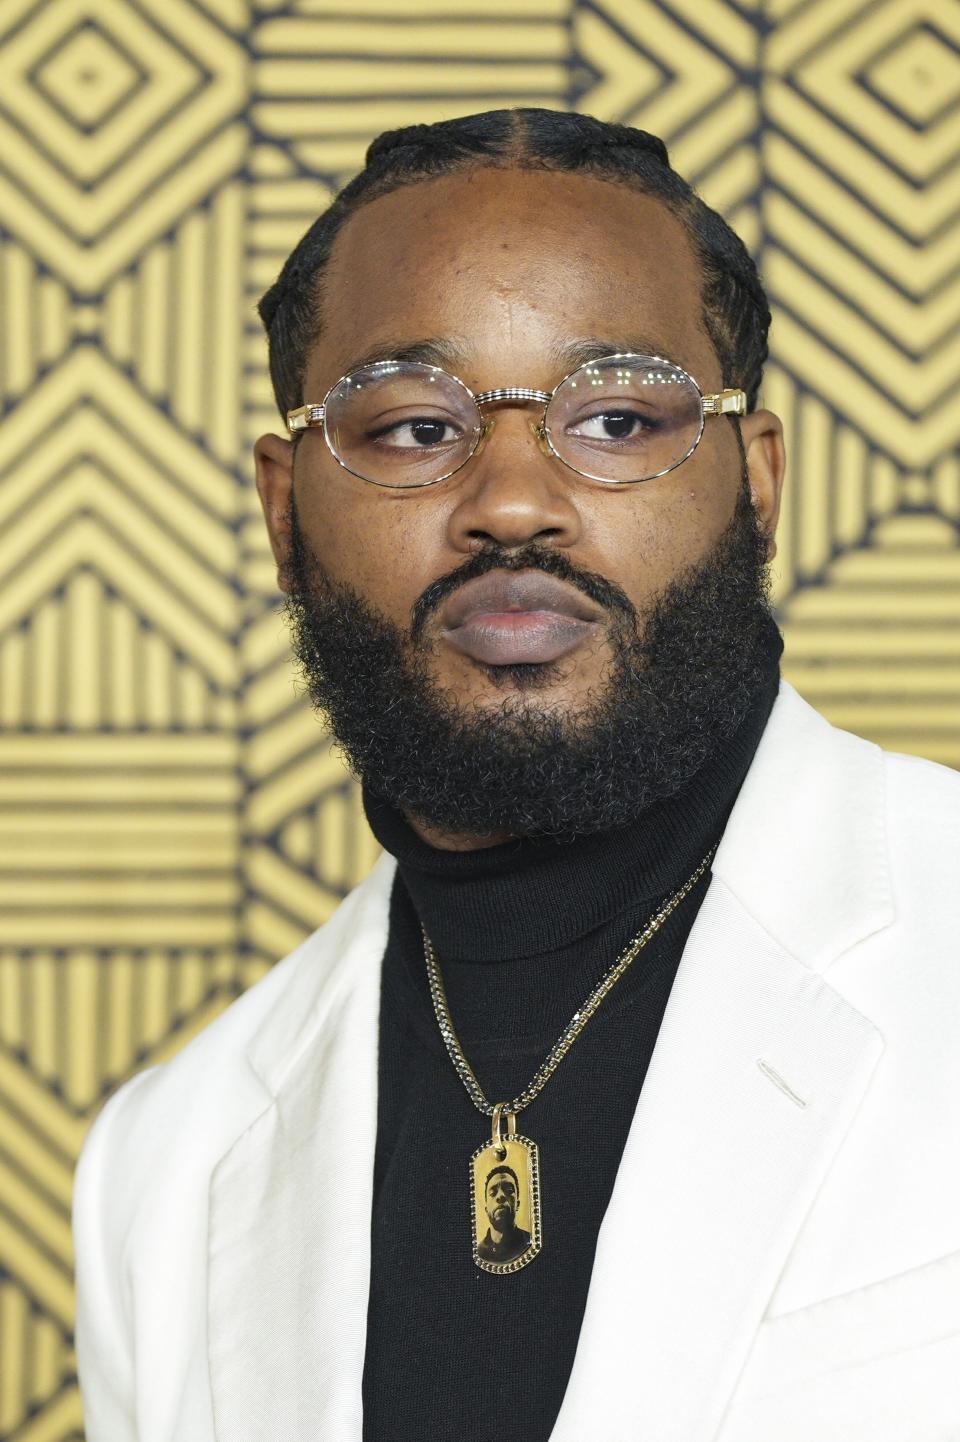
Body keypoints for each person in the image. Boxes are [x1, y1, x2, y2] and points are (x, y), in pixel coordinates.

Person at [73, 109, 960, 1442]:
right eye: (415, 427)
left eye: (614, 415)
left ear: (760, 481)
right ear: (281, 511)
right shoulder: (165, 1162)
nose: (511, 498)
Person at [476, 1165, 532, 1265]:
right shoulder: (479, 1253)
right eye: (493, 1193)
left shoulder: (530, 1243)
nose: (500, 1196)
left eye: (509, 1191)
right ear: (486, 1209)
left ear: (517, 1204)